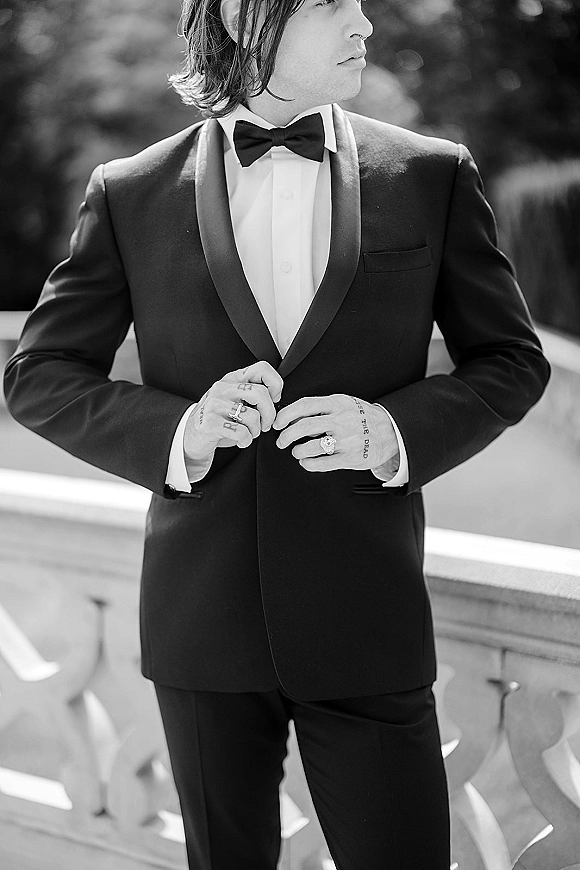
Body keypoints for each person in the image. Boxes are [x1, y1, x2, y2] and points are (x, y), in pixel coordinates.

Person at [4, 0, 551, 867]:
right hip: (201, 625)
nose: (364, 24)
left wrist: (391, 430)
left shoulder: (431, 174)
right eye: (334, 3)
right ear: (243, 14)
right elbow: (36, 377)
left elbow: (513, 360)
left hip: (367, 620)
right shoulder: (131, 191)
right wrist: (182, 427)